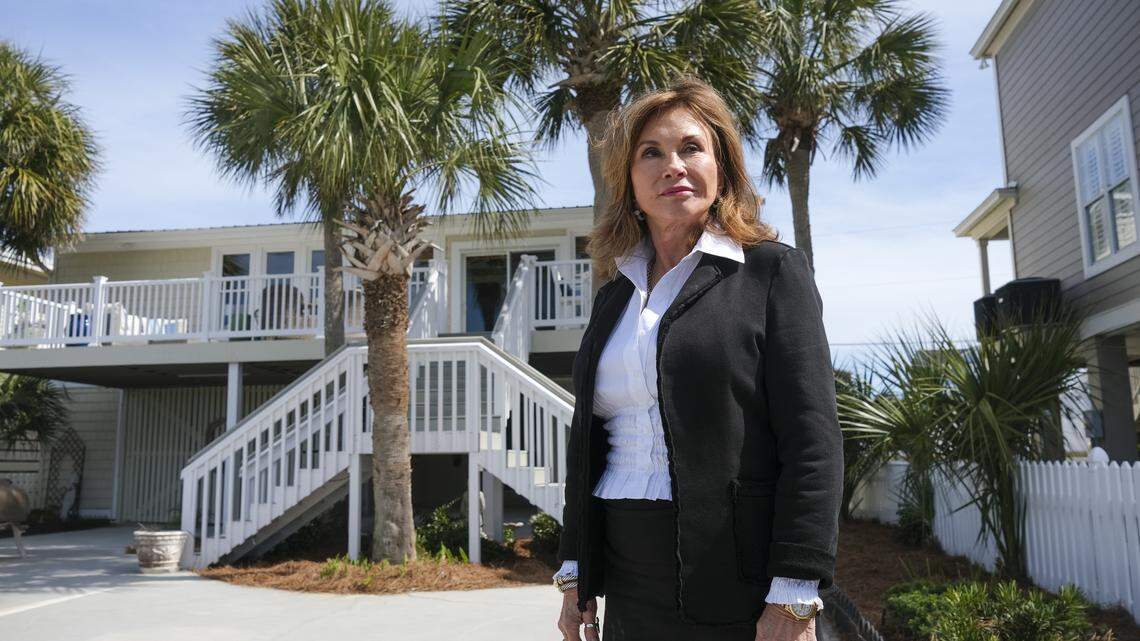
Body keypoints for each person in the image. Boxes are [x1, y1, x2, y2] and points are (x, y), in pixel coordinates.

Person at [553, 77, 843, 641]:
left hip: (738, 574)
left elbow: (814, 443)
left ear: (722, 165)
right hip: (627, 572)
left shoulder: (771, 272)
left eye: (691, 147)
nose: (673, 166)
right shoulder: (615, 292)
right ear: (629, 180)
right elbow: (587, 443)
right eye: (651, 153)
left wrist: (795, 590)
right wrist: (576, 571)